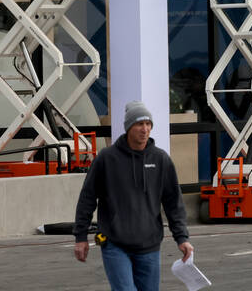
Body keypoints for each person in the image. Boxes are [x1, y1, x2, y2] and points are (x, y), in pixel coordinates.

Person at [73, 101, 193, 291]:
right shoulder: (107, 158)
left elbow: (173, 203)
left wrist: (182, 238)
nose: (144, 129)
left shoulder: (161, 160)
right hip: (113, 242)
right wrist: (80, 236)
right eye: (139, 124)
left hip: (149, 245)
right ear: (128, 127)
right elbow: (87, 198)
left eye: (148, 124)